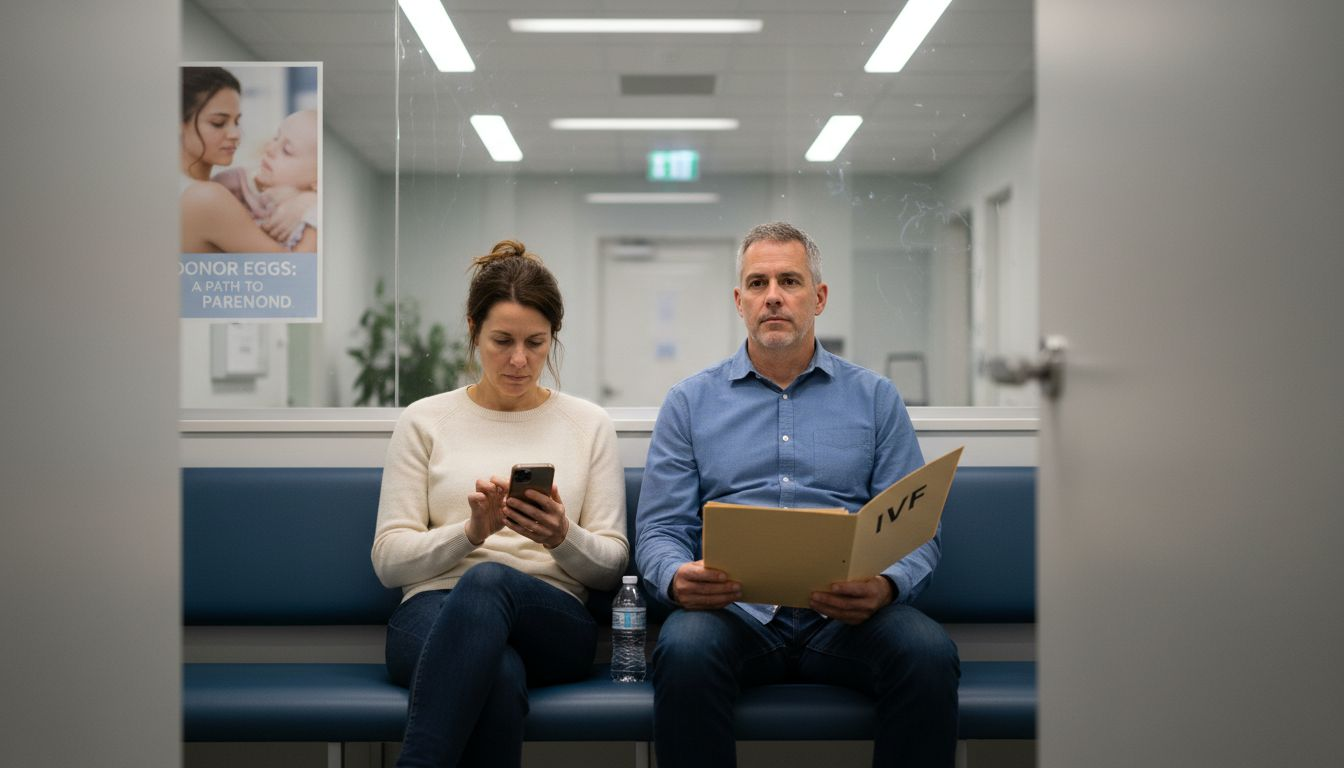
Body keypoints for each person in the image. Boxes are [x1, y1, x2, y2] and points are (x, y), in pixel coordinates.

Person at [635, 221, 960, 767]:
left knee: (928, 654)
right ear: (739, 301)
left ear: (820, 297)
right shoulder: (689, 402)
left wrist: (885, 585)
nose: (774, 297)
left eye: (790, 280)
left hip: (849, 621)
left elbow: (916, 526)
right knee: (683, 650)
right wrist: (674, 577)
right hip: (732, 616)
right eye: (758, 284)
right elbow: (659, 530)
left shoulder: (876, 398)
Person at [371, 240, 629, 768]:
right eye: (502, 341)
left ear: (553, 337)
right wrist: (469, 533)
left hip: (552, 619)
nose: (519, 360)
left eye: (536, 343)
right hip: (431, 610)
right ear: (472, 330)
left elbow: (611, 568)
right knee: (500, 674)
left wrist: (562, 536)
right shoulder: (423, 420)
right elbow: (388, 561)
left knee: (487, 580)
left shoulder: (589, 425)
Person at [178, 66, 316, 253]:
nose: (235, 134)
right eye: (218, 123)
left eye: (236, 122)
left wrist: (307, 199)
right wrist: (314, 212)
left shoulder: (224, 188)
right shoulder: (205, 197)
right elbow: (294, 275)